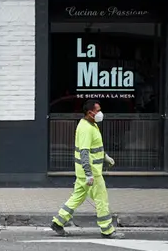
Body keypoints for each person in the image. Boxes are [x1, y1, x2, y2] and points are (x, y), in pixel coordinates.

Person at [50, 99, 123, 238]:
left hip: (84, 172)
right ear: (90, 113)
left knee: (77, 197)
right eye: (98, 110)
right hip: (91, 173)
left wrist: (105, 157)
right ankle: (107, 230)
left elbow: (93, 148)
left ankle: (58, 223)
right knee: (102, 199)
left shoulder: (91, 124)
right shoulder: (86, 128)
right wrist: (89, 174)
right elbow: (84, 153)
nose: (100, 113)